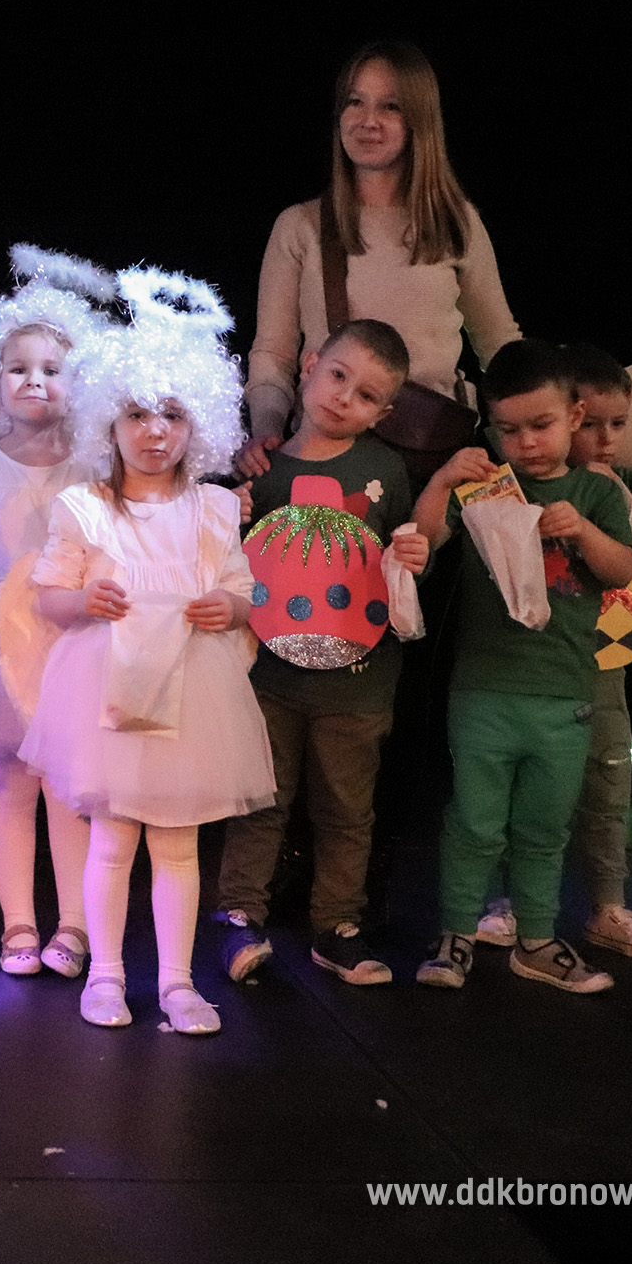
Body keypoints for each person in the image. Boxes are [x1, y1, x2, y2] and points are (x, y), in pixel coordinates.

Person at [19, 267, 272, 1035]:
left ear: (199, 425)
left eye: (172, 413)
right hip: (110, 695)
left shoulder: (214, 510)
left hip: (191, 698)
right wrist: (83, 601)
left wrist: (231, 607)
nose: (154, 430)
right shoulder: (86, 510)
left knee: (179, 846)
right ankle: (106, 975)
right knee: (111, 841)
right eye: (135, 413)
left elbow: (244, 593)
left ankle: (176, 982)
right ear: (109, 423)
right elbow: (48, 596)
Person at [411, 341, 632, 995]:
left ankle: (536, 939)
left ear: (575, 415)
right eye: (509, 430)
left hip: (564, 695)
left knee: (544, 828)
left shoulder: (596, 490)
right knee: (474, 823)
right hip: (483, 691)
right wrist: (442, 480)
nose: (526, 443)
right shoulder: (486, 486)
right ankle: (457, 934)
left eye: (541, 425)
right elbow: (424, 542)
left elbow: (623, 570)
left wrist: (583, 531)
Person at [212, 319, 431, 987]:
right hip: (268, 676)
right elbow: (227, 561)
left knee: (346, 812)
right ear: (308, 366)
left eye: (366, 395)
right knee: (259, 799)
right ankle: (238, 919)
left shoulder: (385, 470)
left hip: (358, 683)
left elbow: (397, 569)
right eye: (337, 376)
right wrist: (228, 511)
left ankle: (337, 927)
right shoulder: (262, 466)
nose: (344, 398)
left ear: (383, 414)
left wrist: (413, 557)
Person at [473, 343, 632, 960]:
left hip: (599, 659)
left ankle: (608, 904)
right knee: (513, 783)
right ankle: (505, 903)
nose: (606, 439)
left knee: (607, 776)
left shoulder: (613, 480)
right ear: (569, 414)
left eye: (619, 424)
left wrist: (630, 501)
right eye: (593, 423)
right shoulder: (515, 478)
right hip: (530, 659)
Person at [243, 40, 522, 492]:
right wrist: (267, 429)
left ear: (419, 121)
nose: (368, 120)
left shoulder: (456, 223)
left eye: (390, 106)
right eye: (355, 102)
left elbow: (500, 347)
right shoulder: (300, 226)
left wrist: (538, 434)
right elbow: (273, 354)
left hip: (434, 461)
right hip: (327, 463)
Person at [0, 248, 106, 981]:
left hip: (70, 634)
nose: (35, 380)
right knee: (9, 781)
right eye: (18, 368)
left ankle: (74, 924)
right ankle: (19, 923)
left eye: (51, 368)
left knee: (68, 784)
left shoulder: (95, 468)